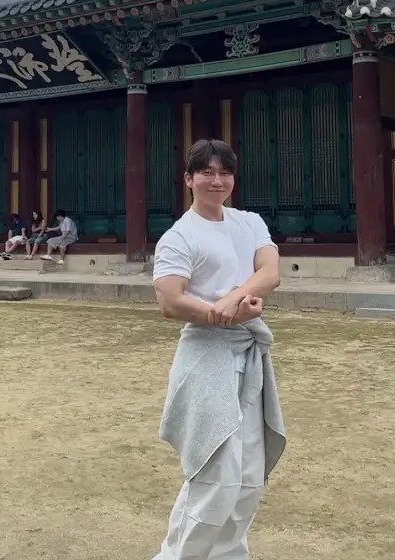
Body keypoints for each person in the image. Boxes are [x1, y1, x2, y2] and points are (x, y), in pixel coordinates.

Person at [152, 139, 287, 560]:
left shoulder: (249, 222)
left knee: (248, 475)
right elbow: (170, 301)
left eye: (225, 172)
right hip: (206, 354)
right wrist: (220, 314)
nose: (217, 180)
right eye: (206, 172)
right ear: (189, 179)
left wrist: (232, 300)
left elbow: (270, 271)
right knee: (217, 475)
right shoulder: (179, 236)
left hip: (248, 352)